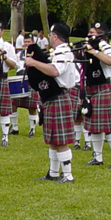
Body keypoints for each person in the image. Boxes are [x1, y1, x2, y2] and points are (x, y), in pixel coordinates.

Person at [25, 23, 78, 184]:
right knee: (53, 139)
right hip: (52, 98)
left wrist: (34, 63)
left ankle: (68, 175)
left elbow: (55, 71)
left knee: (60, 139)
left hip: (59, 97)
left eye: (51, 35)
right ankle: (53, 173)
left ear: (55, 36)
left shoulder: (64, 52)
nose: (49, 38)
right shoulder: (58, 52)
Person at [81, 22, 111, 169]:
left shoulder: (104, 46)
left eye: (94, 32)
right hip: (91, 89)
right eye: (90, 32)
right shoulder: (87, 45)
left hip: (103, 88)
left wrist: (94, 52)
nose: (90, 34)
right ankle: (97, 157)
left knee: (110, 127)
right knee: (94, 127)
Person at [10, 33, 40, 138]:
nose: (27, 44)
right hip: (20, 79)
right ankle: (14, 127)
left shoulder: (38, 54)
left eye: (29, 42)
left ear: (33, 42)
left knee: (32, 107)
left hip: (32, 80)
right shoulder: (20, 54)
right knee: (13, 104)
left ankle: (32, 129)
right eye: (25, 42)